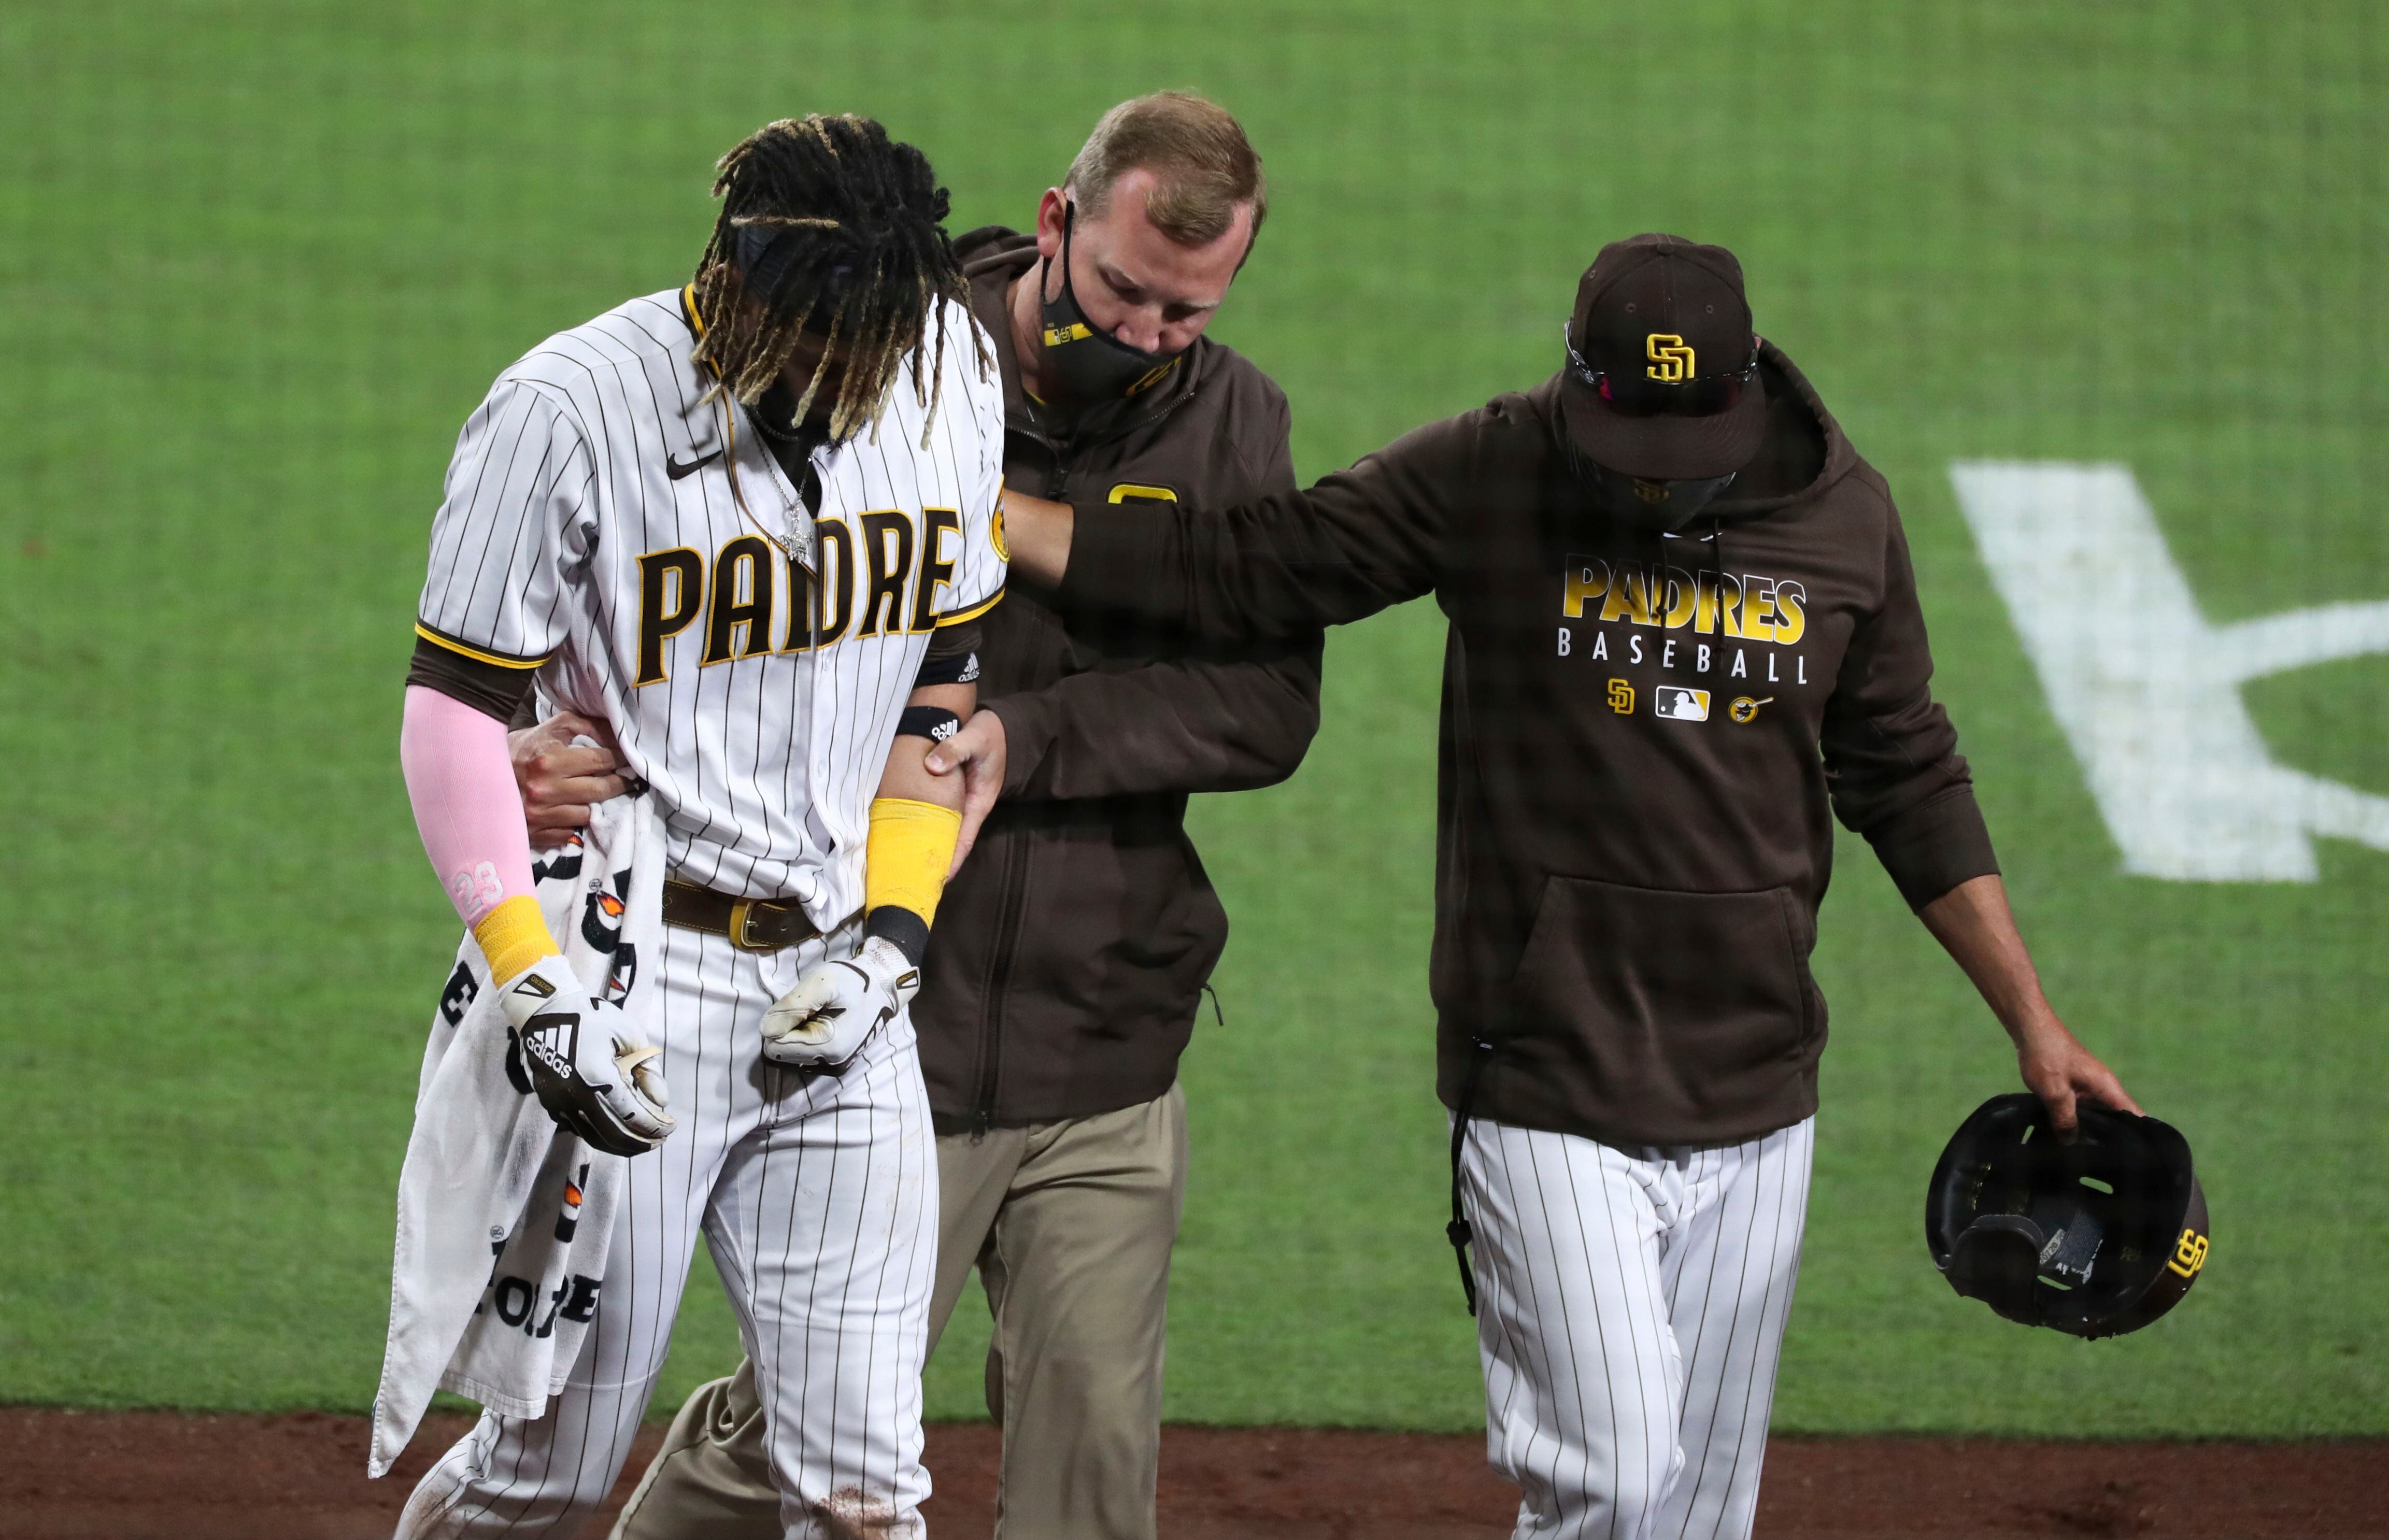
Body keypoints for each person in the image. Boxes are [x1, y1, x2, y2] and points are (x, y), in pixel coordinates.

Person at [991, 233, 2140, 1540]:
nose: (1652, 494)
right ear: (1576, 382)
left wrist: (2031, 1017)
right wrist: (991, 518)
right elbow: (1256, 566)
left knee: (1697, 1516)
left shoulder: (1840, 517)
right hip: (1544, 1076)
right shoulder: (1494, 470)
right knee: (1612, 1472)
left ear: (1744, 389)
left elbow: (1907, 774)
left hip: (1759, 1091)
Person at [520, 94, 1318, 1540]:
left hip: (1106, 1023)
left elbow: (1266, 706)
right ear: (1059, 223)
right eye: (1125, 292)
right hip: (884, 1014)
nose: (1145, 336)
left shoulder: (1234, 422)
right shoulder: (880, 343)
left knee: (1090, 1451)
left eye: (1185, 313)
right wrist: (558, 737)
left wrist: (1033, 734)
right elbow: (675, 577)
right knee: (806, 1440)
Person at [393, 113, 1006, 1537]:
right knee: (548, 1468)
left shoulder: (952, 373)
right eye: (821, 341)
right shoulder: (569, 405)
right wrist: (531, 983)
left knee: (869, 1487)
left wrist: (896, 935)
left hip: (839, 993)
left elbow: (940, 700)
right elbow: (450, 713)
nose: (850, 384)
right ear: (734, 283)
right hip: (622, 973)